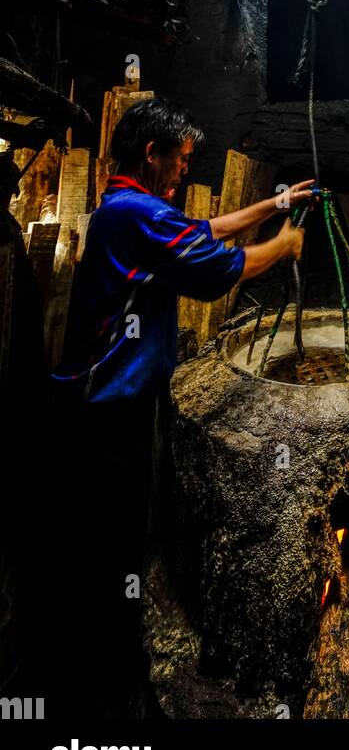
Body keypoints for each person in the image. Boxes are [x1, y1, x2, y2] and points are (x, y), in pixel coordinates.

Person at [45, 97, 310, 717]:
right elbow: (217, 271)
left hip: (106, 406)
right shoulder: (135, 213)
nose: (186, 171)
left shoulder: (130, 209)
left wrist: (275, 205)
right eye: (183, 160)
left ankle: (107, 668)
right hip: (105, 412)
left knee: (116, 543)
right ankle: (104, 693)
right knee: (112, 549)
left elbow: (204, 232)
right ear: (152, 154)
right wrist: (285, 243)